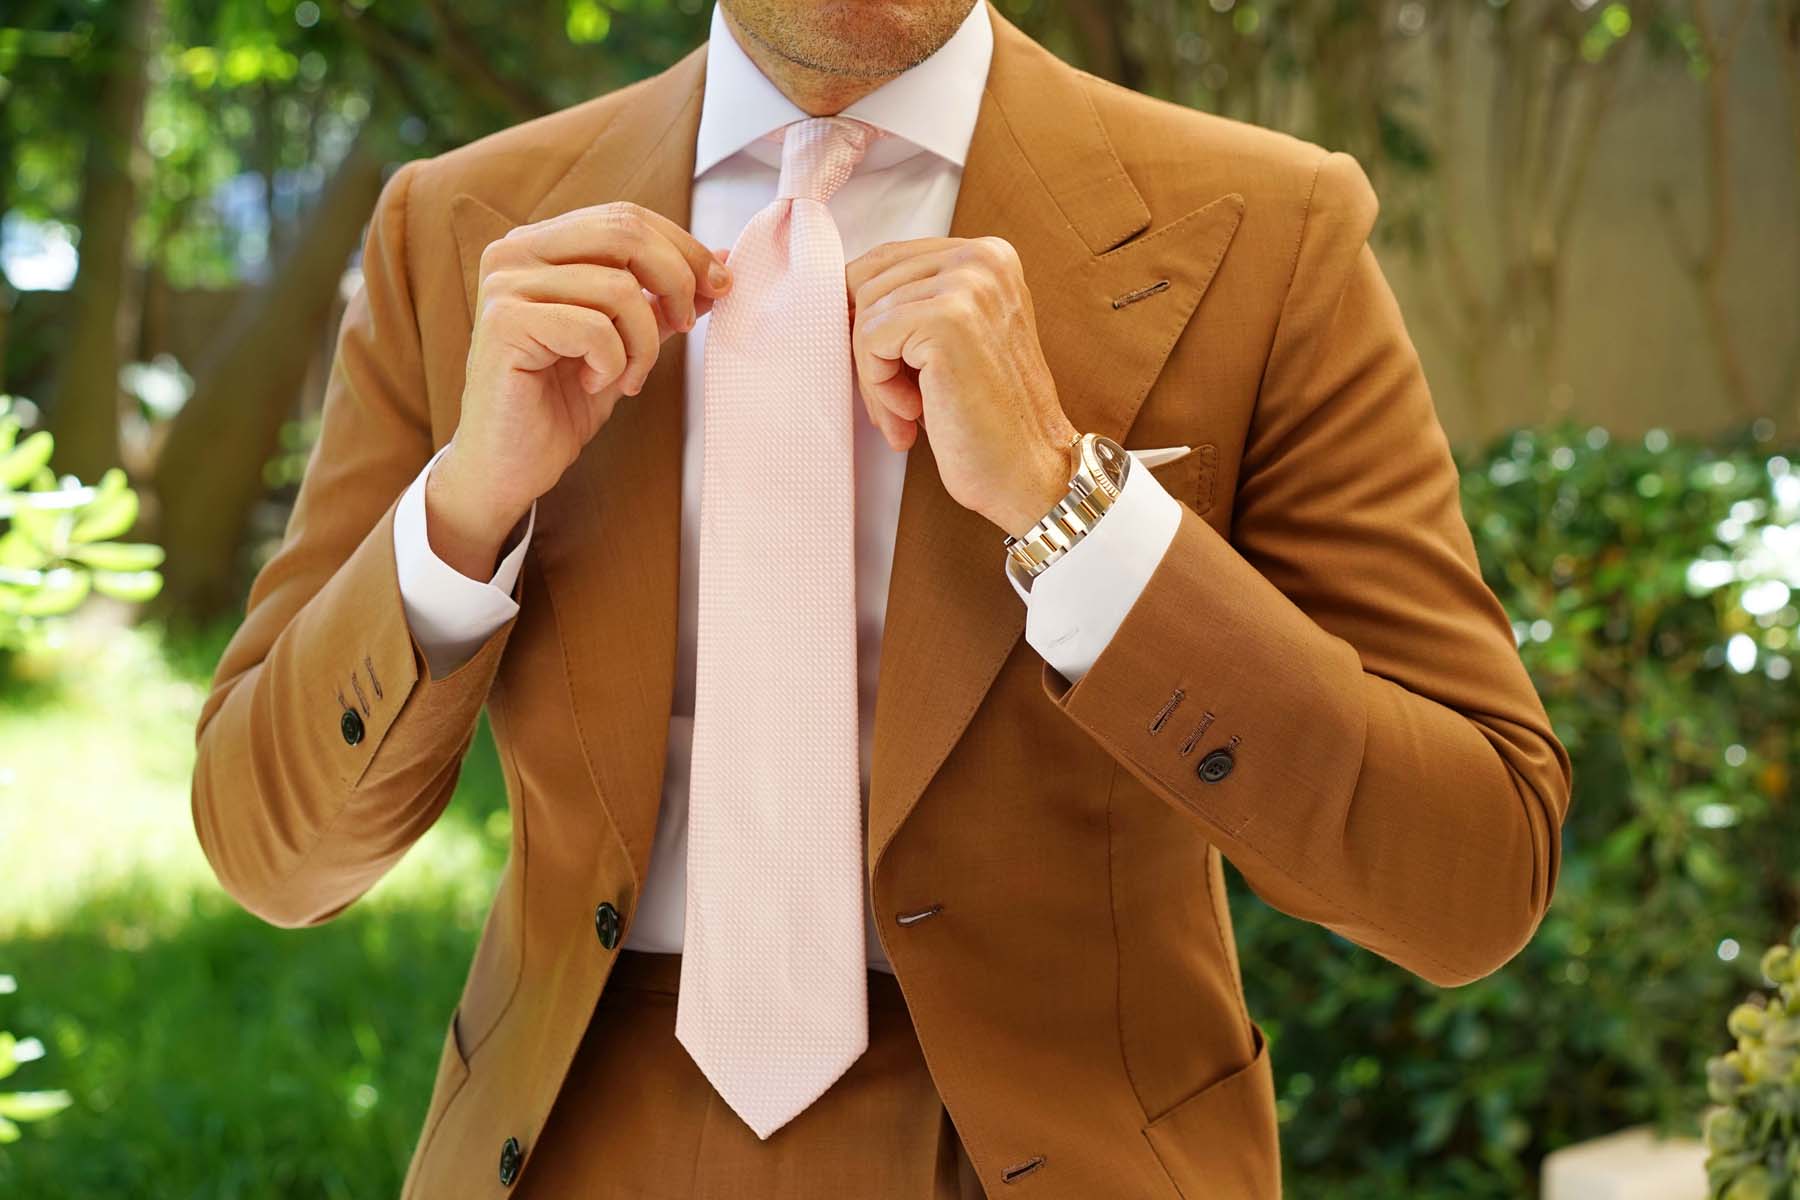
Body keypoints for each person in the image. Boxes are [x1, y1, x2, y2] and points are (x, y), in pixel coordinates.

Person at [190, 1, 1573, 1196]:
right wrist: (461, 510)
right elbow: (273, 851)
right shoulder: (462, 230)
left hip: (1071, 1148)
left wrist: (1070, 507)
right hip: (567, 1138)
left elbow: (1472, 877)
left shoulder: (1270, 231)